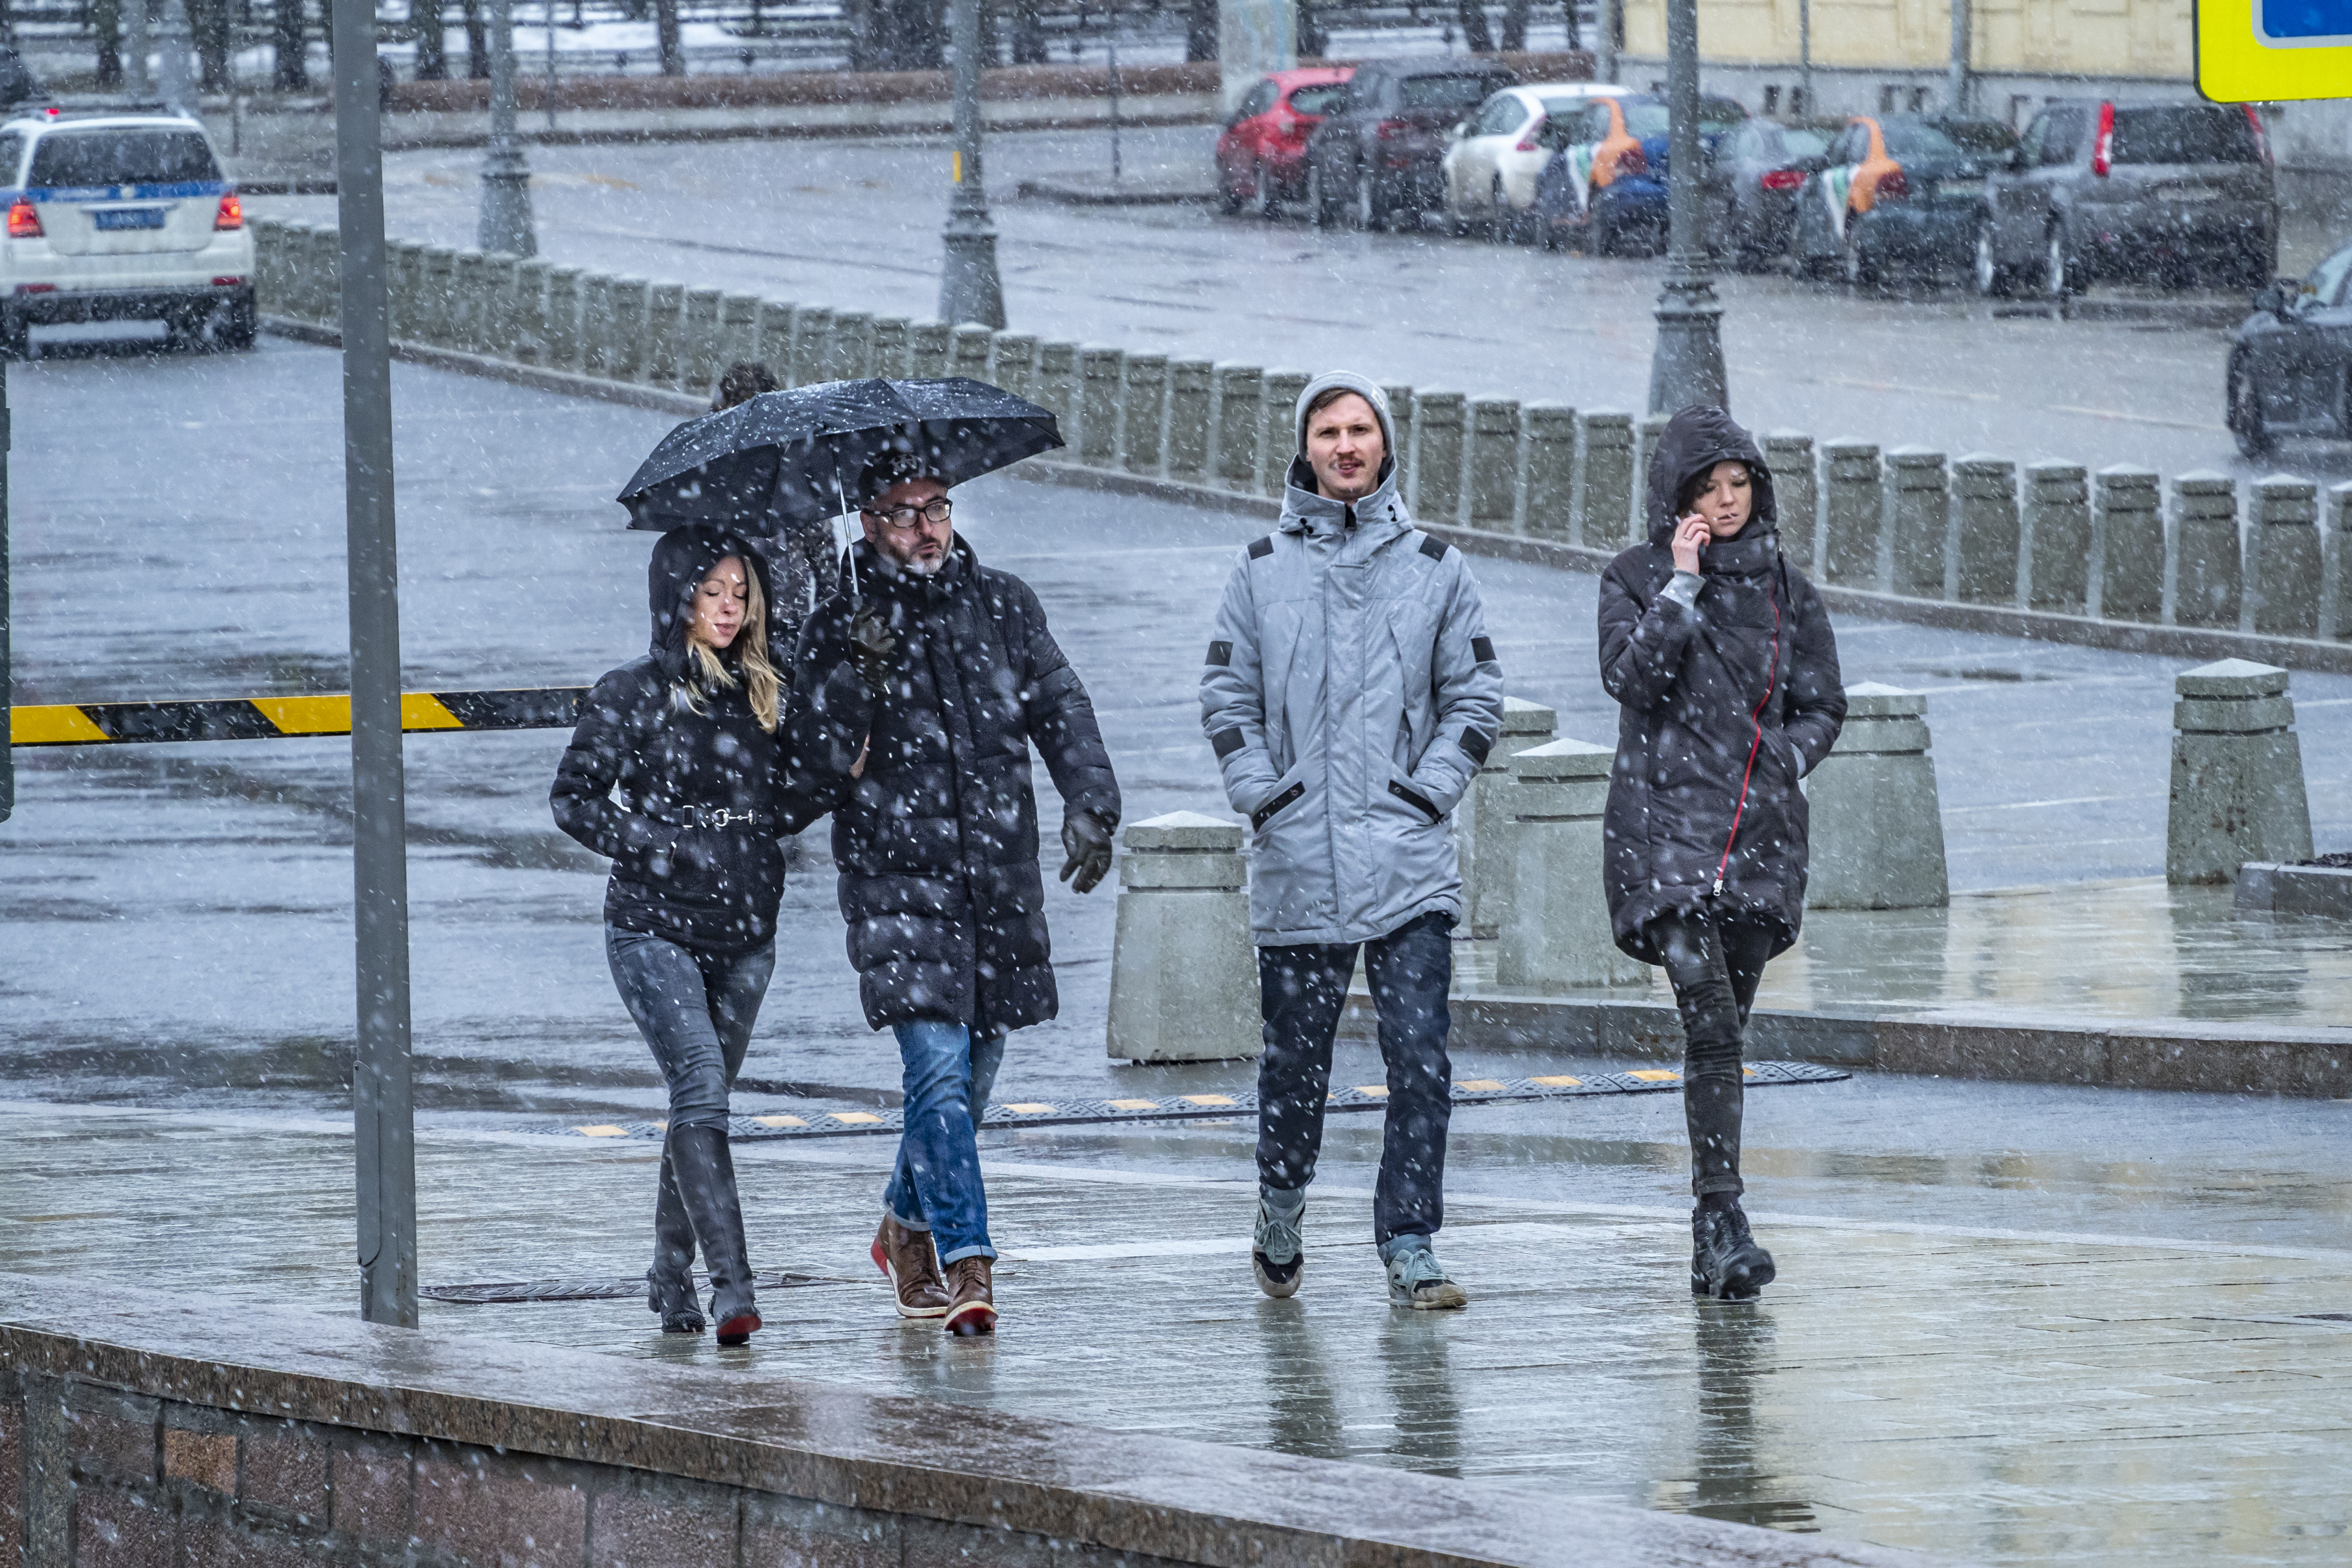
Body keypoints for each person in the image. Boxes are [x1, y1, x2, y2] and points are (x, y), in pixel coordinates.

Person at [788, 449, 1121, 1337]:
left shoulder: (1004, 603)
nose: (928, 529)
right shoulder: (837, 627)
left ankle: (902, 1228)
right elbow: (812, 769)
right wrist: (854, 674)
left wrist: (1090, 801)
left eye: (939, 507)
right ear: (867, 523)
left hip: (996, 881)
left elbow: (1062, 704)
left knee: (970, 1081)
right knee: (935, 1071)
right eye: (905, 514)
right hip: (897, 883)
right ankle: (967, 1261)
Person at [1200, 372, 1504, 1310]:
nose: (1345, 445)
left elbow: (1477, 698)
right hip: (1299, 859)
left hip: (1409, 860)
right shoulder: (1259, 570)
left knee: (1421, 1059)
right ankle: (1281, 1204)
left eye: (1360, 429)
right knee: (1298, 1063)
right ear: (1306, 448)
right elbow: (1225, 697)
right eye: (1328, 431)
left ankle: (1410, 1239)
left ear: (1385, 443)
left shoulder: (1437, 569)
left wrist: (1431, 792)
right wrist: (1267, 796)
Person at [1596, 405, 1846, 1302]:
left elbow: (1824, 702)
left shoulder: (1787, 589)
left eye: (1740, 484)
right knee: (1707, 1020)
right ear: (1678, 497)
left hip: (1758, 838)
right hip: (1665, 837)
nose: (1729, 500)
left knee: (1724, 1036)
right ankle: (1722, 1216)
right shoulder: (1634, 577)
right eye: (1710, 487)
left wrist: (1788, 759)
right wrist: (1683, 584)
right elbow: (1631, 679)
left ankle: (1712, 1234)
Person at [551, 524, 821, 1347]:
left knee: (697, 1107)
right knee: (701, 1088)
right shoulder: (632, 691)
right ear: (678, 599)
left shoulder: (768, 692)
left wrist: (840, 757)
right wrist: (660, 843)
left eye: (741, 593)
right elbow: (575, 798)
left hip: (746, 932)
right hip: (652, 926)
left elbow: (793, 801)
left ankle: (669, 1276)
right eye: (713, 593)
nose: (730, 609)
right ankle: (733, 1289)